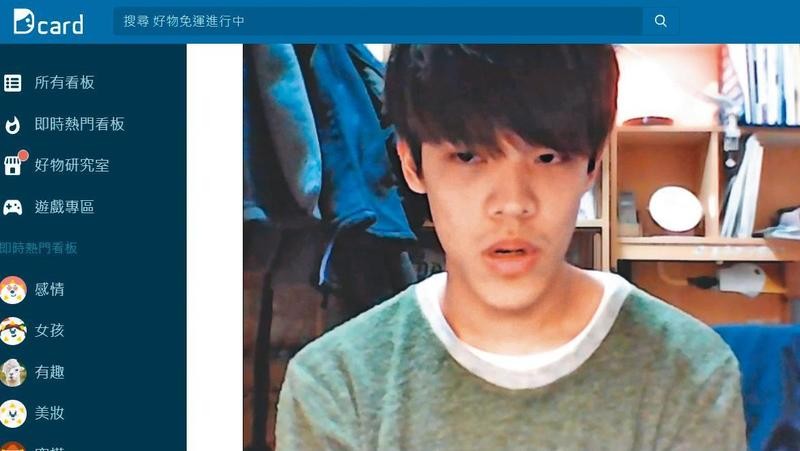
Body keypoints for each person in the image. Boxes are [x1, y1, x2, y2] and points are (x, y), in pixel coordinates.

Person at [276, 45, 746, 450]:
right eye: (468, 156)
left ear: (593, 164)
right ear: (411, 164)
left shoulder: (687, 370)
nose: (513, 204)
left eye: (547, 157)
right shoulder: (338, 383)